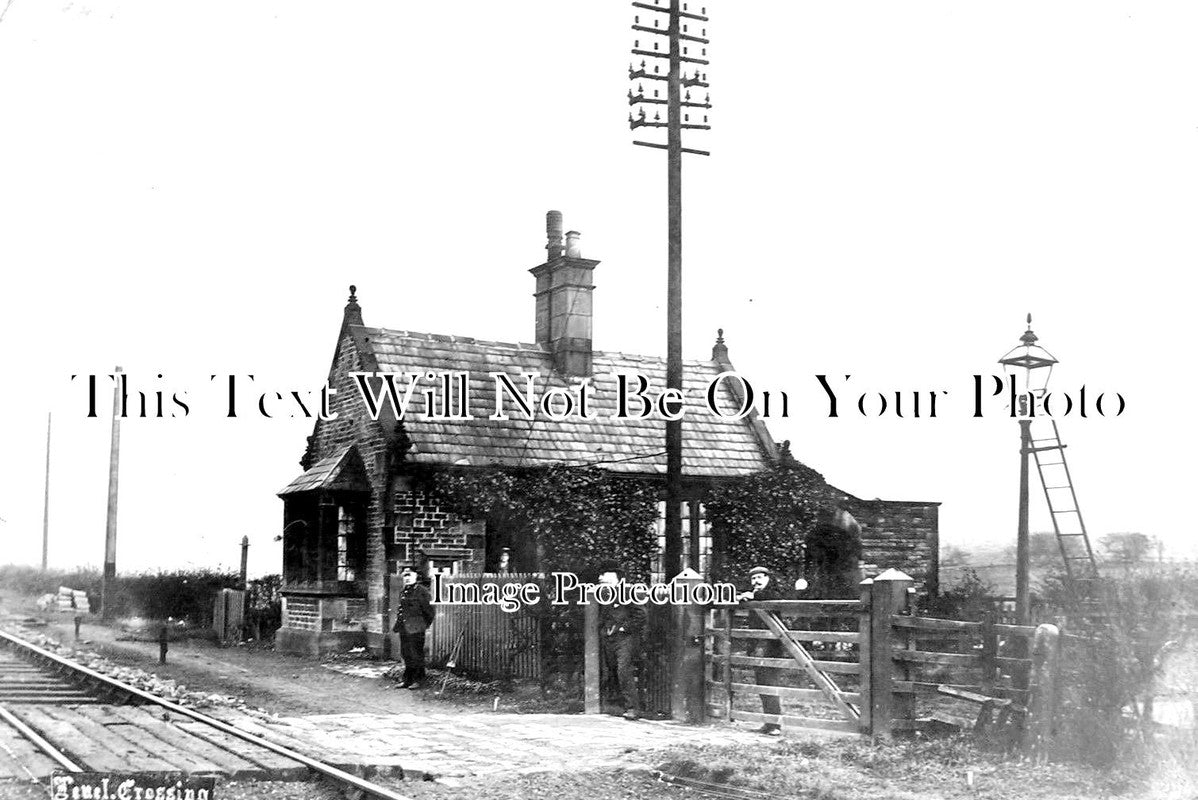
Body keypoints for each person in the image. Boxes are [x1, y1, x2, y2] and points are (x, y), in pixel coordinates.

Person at [737, 565, 791, 735]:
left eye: (760, 577)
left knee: (769, 683)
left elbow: (770, 598)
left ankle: (775, 725)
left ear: (768, 579)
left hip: (771, 646)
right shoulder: (755, 595)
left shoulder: (772, 592)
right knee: (762, 684)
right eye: (753, 578)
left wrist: (751, 595)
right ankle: (769, 723)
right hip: (758, 645)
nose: (756, 581)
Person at [596, 560, 645, 720]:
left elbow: (641, 615)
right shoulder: (604, 594)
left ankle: (633, 708)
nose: (603, 579)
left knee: (623, 670)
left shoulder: (628, 593)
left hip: (625, 639)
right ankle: (617, 706)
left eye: (608, 577)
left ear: (617, 578)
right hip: (610, 639)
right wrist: (604, 630)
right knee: (611, 671)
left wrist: (624, 628)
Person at [393, 568, 436, 689]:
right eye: (405, 575)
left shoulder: (421, 591)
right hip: (404, 628)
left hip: (416, 629)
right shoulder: (404, 591)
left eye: (409, 575)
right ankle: (407, 680)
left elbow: (430, 611)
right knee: (406, 654)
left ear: (416, 576)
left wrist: (422, 625)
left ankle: (419, 681)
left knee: (416, 654)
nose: (407, 577)